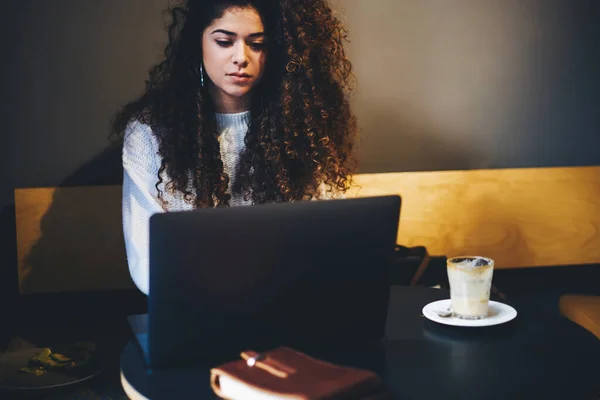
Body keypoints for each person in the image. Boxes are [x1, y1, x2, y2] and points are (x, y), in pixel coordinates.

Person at [111, 0, 359, 295]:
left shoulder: (300, 127)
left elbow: (328, 238)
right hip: (191, 308)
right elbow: (146, 262)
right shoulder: (151, 132)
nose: (241, 57)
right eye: (224, 42)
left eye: (257, 45)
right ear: (198, 44)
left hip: (284, 304)